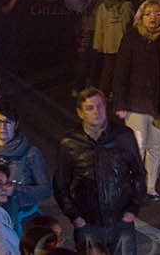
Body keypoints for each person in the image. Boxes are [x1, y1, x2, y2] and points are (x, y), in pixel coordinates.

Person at [53, 87, 144, 255]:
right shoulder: (70, 142)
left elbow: (139, 173)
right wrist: (75, 217)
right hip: (89, 225)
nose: (97, 111)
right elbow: (60, 183)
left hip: (121, 221)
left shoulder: (123, 136)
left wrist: (133, 209)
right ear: (80, 113)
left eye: (100, 106)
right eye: (90, 108)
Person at [110, 0, 160, 203]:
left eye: (157, 13)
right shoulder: (132, 38)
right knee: (137, 146)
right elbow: (121, 71)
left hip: (158, 105)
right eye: (149, 13)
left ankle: (150, 187)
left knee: (156, 146)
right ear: (141, 16)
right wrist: (120, 103)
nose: (153, 18)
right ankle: (132, 185)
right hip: (135, 102)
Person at [0, 104, 52, 230]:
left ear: (15, 125)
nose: (2, 127)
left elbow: (45, 190)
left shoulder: (31, 154)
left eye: (7, 122)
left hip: (25, 221)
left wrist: (16, 190)